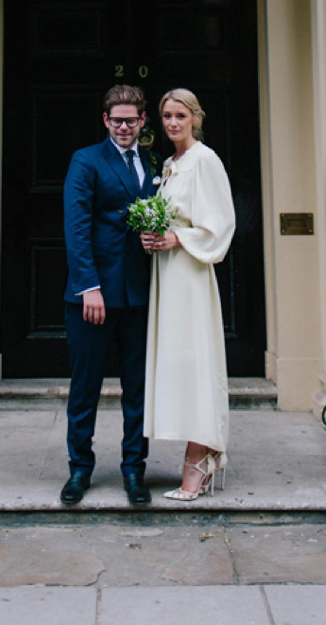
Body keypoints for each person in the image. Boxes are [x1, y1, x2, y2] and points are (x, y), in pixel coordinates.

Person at [60, 84, 157, 507]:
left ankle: (135, 470)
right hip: (94, 297)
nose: (123, 127)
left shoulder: (153, 162)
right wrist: (89, 288)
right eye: (116, 120)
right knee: (86, 386)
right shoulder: (86, 160)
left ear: (142, 121)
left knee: (138, 388)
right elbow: (77, 226)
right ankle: (80, 468)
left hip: (140, 293)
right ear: (105, 120)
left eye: (131, 120)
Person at [140, 88, 236, 500]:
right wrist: (153, 236)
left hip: (192, 276)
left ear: (195, 118)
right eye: (166, 116)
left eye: (180, 115)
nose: (172, 123)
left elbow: (221, 225)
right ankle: (200, 453)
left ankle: (198, 462)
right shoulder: (170, 164)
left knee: (195, 362)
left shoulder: (205, 160)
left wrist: (177, 237)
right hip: (167, 276)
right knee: (176, 363)